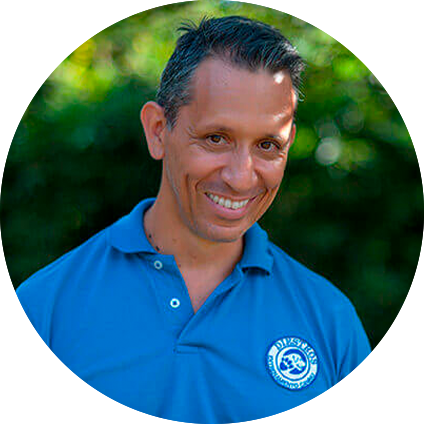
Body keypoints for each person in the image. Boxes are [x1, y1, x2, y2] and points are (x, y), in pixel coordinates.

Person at [0, 16, 384, 424]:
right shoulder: (41, 311)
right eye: (216, 138)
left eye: (268, 145)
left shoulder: (330, 320)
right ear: (158, 130)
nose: (241, 177)